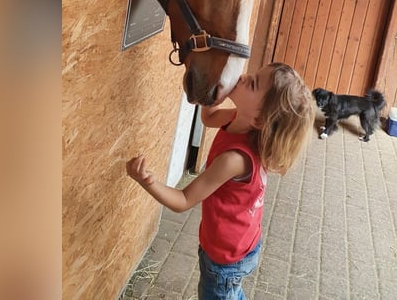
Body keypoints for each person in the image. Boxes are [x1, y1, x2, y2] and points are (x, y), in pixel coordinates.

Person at [126, 62, 315, 299]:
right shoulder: (241, 119)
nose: (244, 77)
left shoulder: (234, 160)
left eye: (253, 83)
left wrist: (148, 182)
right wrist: (211, 84)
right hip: (242, 243)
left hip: (225, 261)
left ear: (259, 119)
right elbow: (210, 117)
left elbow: (184, 200)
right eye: (253, 75)